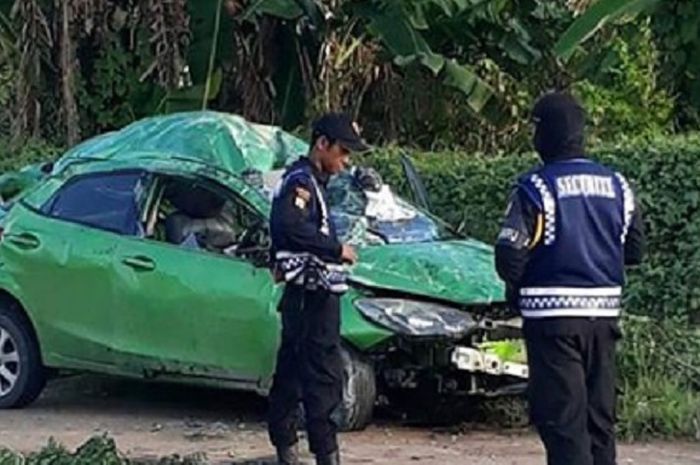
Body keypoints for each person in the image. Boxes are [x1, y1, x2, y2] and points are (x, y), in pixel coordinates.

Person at [495, 92, 645, 465]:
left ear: (545, 134)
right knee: (599, 422)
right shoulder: (618, 186)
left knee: (564, 424)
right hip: (604, 320)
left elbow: (509, 254)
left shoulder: (535, 187)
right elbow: (636, 251)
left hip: (552, 322)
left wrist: (518, 287)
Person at [267, 112, 368, 465]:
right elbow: (289, 226)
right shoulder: (301, 183)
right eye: (342, 152)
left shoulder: (314, 182)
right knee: (321, 375)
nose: (345, 162)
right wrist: (336, 250)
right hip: (311, 295)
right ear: (322, 144)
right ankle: (323, 453)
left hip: (309, 295)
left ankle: (288, 446)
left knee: (295, 371)